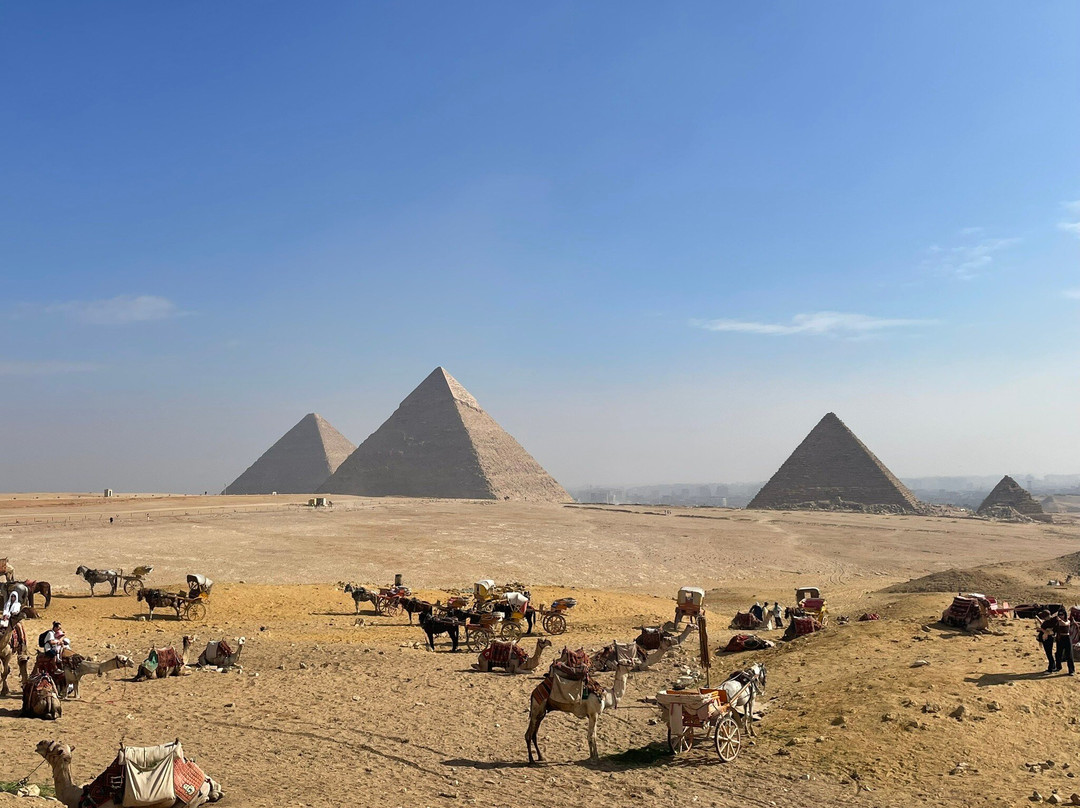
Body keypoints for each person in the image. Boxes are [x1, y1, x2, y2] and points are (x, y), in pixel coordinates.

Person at [1054, 609, 1075, 675]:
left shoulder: (1067, 621)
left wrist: (1060, 620)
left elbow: (1065, 624)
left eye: (1062, 615)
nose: (1060, 616)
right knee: (1058, 654)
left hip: (1067, 638)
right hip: (1060, 638)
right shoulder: (1057, 623)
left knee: (1069, 655)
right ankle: (1058, 667)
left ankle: (1071, 670)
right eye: (1059, 615)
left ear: (1064, 615)